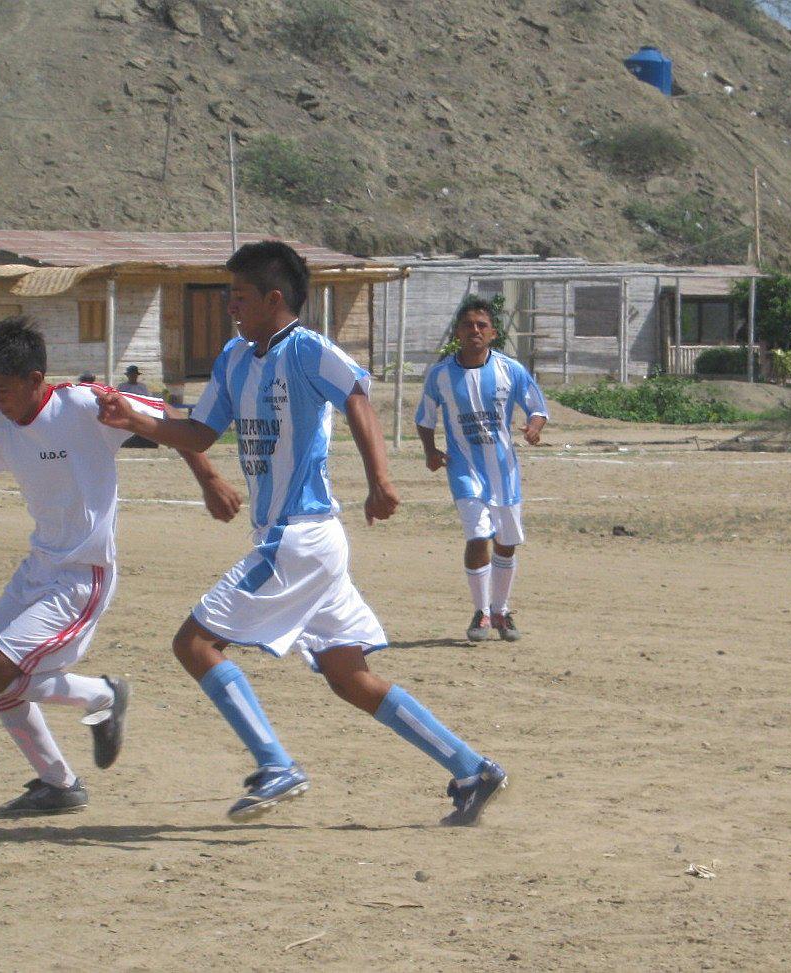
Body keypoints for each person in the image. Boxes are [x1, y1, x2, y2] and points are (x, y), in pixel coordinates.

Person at [94, 241, 507, 827]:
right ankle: (471, 768)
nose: (230, 307)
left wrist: (380, 480)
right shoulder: (235, 359)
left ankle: (275, 764)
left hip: (300, 536)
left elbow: (358, 395)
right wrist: (136, 420)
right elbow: (201, 434)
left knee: (195, 644)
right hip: (305, 542)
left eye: (238, 297)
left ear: (273, 298)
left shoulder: (309, 350)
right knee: (348, 675)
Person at [0, 316, 241, 816]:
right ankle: (59, 783)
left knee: (0, 669)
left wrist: (209, 479)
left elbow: (170, 418)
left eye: (2, 390)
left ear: (35, 380)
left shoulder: (83, 405)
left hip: (84, 573)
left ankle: (102, 697)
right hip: (39, 568)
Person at [414, 296, 548, 643]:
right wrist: (431, 451)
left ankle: (502, 610)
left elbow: (537, 407)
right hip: (464, 471)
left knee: (506, 542)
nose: (474, 330)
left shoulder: (510, 370)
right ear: (457, 332)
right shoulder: (441, 375)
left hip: (505, 472)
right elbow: (425, 418)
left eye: (481, 325)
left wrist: (534, 428)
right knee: (477, 536)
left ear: (492, 333)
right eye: (467, 325)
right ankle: (481, 611)